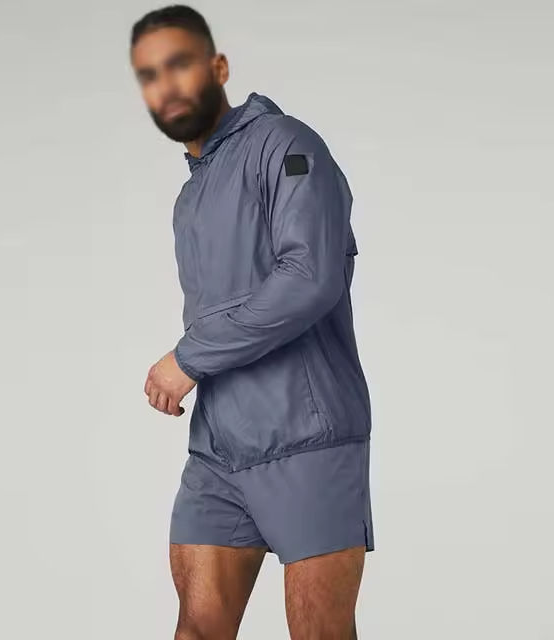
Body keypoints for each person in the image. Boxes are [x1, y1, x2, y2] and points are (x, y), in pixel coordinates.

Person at [130, 5, 375, 638]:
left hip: (306, 436)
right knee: (197, 630)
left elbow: (309, 277)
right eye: (149, 75)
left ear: (218, 67)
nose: (166, 86)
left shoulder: (286, 144)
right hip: (219, 447)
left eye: (180, 64)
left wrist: (187, 358)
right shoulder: (191, 195)